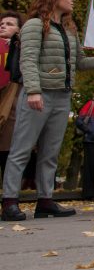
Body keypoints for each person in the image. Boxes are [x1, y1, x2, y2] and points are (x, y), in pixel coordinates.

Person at [1, 0, 94, 221]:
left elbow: (80, 62)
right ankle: (9, 201)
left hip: (62, 96)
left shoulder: (69, 30)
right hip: (39, 94)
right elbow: (27, 60)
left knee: (50, 151)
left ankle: (45, 200)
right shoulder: (34, 25)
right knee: (21, 149)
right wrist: (34, 91)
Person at [0, 11, 25, 182]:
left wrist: (17, 46)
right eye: (2, 24)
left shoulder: (24, 48)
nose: (3, 26)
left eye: (9, 24)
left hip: (12, 100)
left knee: (7, 148)